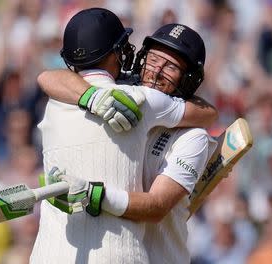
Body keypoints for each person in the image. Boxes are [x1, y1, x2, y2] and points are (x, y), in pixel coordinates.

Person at [31, 8, 217, 263]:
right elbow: (48, 77)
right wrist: (92, 98)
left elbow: (158, 206)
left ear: (188, 79)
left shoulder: (191, 136)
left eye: (171, 66)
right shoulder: (120, 96)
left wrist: (95, 195)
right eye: (153, 59)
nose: (156, 71)